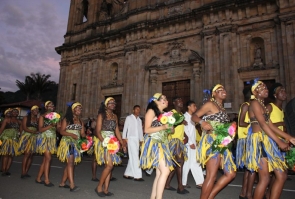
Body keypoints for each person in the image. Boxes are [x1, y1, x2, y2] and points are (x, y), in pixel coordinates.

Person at [246, 79, 295, 199]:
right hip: (259, 142)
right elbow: (263, 125)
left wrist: (289, 138)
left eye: (266, 88)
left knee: (282, 175)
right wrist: (279, 141)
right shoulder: (254, 103)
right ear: (255, 92)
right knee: (265, 178)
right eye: (261, 88)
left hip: (267, 141)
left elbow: (271, 125)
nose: (265, 90)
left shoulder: (262, 105)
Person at [192, 84, 237, 199]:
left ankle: (210, 196)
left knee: (231, 174)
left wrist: (231, 127)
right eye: (219, 90)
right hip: (212, 141)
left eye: (224, 88)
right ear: (214, 93)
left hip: (223, 142)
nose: (223, 90)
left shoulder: (222, 108)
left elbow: (221, 125)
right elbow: (194, 116)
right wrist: (202, 123)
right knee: (211, 176)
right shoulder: (210, 104)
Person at [139, 93, 173, 199]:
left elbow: (170, 130)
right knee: (166, 171)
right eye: (163, 99)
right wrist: (163, 127)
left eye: (166, 98)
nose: (166, 100)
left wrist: (170, 127)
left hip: (163, 143)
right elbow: (146, 129)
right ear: (156, 101)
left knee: (159, 173)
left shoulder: (166, 114)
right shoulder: (151, 111)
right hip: (153, 142)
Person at [94, 97, 126, 197]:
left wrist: (121, 142)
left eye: (114, 103)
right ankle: (99, 187)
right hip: (104, 141)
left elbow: (116, 130)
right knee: (109, 165)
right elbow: (97, 131)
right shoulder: (101, 115)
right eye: (110, 103)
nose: (113, 104)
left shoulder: (115, 116)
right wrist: (104, 142)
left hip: (112, 141)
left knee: (109, 167)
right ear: (106, 105)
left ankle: (106, 189)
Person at [57, 102, 85, 192]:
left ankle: (62, 183)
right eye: (78, 108)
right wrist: (72, 135)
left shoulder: (81, 121)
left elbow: (82, 133)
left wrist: (87, 137)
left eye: (81, 108)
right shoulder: (67, 119)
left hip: (76, 144)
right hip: (68, 142)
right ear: (73, 110)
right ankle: (72, 185)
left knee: (70, 163)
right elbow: (62, 131)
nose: (80, 110)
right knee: (71, 163)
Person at [164, 97, 188, 194]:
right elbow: (169, 128)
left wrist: (185, 136)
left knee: (175, 165)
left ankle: (167, 184)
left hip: (180, 140)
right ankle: (180, 187)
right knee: (180, 161)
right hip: (173, 141)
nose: (181, 102)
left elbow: (181, 128)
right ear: (174, 103)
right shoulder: (171, 113)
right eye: (179, 100)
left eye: (182, 100)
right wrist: (179, 122)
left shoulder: (181, 114)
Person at [236, 87, 256, 199]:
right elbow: (241, 122)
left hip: (250, 138)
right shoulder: (246, 105)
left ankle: (244, 193)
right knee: (250, 167)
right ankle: (246, 193)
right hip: (245, 139)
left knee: (250, 168)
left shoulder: (251, 105)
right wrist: (254, 123)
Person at [35, 101, 59, 187]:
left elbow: (58, 129)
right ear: (46, 107)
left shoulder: (55, 117)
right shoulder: (42, 116)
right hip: (44, 139)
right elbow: (40, 129)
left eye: (52, 105)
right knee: (48, 158)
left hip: (52, 139)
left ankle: (38, 178)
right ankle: (46, 180)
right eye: (49, 106)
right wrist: (51, 125)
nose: (51, 107)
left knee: (45, 160)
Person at [182, 100, 204, 189]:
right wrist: (190, 142)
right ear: (189, 107)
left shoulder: (192, 117)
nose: (196, 107)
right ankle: (183, 183)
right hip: (188, 143)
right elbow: (185, 130)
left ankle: (200, 182)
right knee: (187, 163)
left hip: (193, 143)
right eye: (194, 106)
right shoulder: (185, 117)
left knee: (195, 162)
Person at [122, 105, 144, 181]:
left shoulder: (139, 120)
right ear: (133, 110)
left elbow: (140, 131)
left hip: (137, 140)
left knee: (133, 156)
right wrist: (124, 139)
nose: (138, 111)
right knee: (135, 156)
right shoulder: (129, 118)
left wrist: (141, 140)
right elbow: (125, 128)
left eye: (139, 109)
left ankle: (127, 173)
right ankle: (138, 176)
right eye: (137, 109)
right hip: (130, 139)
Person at [18, 105, 39, 178]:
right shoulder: (26, 118)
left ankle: (26, 171)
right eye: (35, 109)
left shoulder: (37, 119)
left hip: (33, 138)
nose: (36, 111)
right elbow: (24, 128)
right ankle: (23, 172)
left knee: (31, 155)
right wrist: (33, 132)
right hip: (27, 137)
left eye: (37, 110)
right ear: (31, 111)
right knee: (27, 154)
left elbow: (38, 129)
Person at [0, 107, 22, 176]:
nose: (15, 113)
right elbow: (1, 130)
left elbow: (21, 131)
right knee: (6, 154)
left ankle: (7, 170)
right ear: (11, 113)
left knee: (11, 155)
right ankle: (3, 169)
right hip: (6, 139)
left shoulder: (19, 122)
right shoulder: (7, 120)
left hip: (14, 140)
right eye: (14, 112)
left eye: (16, 112)